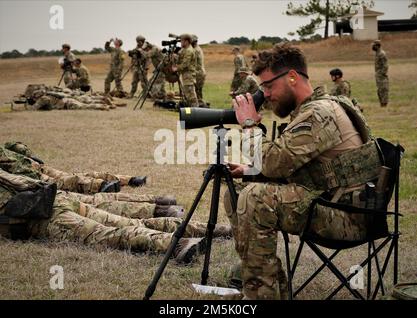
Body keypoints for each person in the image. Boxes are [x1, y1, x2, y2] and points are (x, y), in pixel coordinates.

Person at [225, 43, 382, 299]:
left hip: (348, 217)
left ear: (292, 77)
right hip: (332, 201)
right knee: (235, 195)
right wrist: (250, 170)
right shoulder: (315, 108)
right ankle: (268, 285)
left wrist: (249, 125)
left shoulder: (319, 113)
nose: (265, 95)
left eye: (268, 86)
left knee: (255, 198)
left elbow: (273, 162)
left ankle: (261, 295)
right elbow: (296, 165)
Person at [0, 170, 232, 263]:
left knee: (111, 234)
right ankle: (222, 230)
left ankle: (178, 243)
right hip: (52, 198)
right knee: (132, 223)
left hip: (39, 215)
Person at [0, 142, 147, 194]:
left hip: (34, 168)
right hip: (25, 177)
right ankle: (102, 186)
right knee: (67, 181)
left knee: (83, 174)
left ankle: (130, 180)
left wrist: (28, 154)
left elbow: (11, 145)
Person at [171, 34, 198, 108]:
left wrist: (176, 68)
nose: (181, 43)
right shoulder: (184, 49)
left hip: (189, 75)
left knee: (191, 95)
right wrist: (174, 56)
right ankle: (190, 111)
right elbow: (180, 58)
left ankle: (196, 111)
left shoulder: (189, 50)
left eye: (182, 41)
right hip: (185, 75)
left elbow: (185, 64)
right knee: (187, 94)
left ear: (186, 41)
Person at [372, 40, 389, 107]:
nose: (372, 47)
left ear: (377, 46)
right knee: (379, 90)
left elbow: (385, 65)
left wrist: (382, 73)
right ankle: (382, 103)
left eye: (374, 45)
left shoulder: (382, 54)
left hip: (382, 76)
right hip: (378, 75)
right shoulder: (377, 53)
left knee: (383, 89)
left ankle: (384, 104)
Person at [191, 35, 206, 106]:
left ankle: (200, 107)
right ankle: (200, 106)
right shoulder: (198, 48)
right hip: (200, 72)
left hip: (198, 73)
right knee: (198, 92)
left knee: (197, 92)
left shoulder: (195, 50)